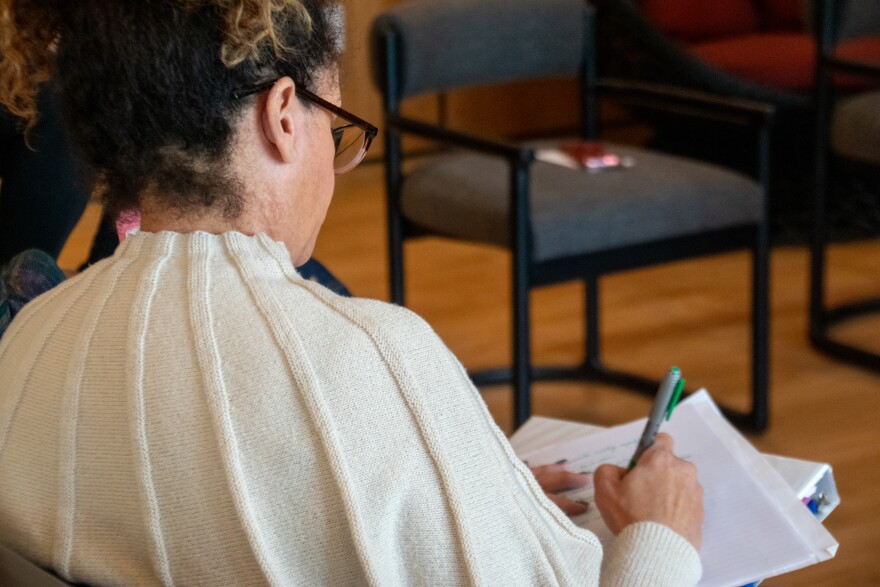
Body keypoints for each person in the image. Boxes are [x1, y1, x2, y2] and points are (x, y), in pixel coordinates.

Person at [0, 0, 703, 585]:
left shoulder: (24, 348)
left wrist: (440, 480)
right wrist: (659, 532)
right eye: (335, 128)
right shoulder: (373, 360)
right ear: (282, 114)